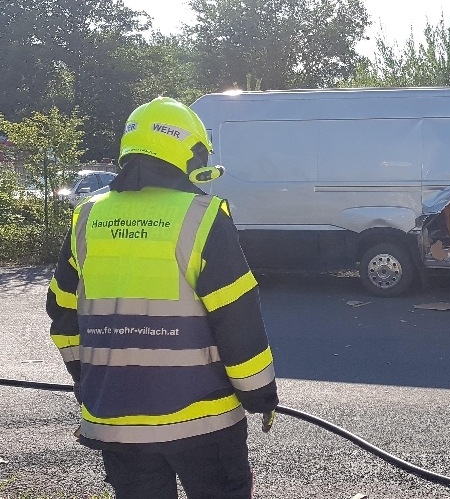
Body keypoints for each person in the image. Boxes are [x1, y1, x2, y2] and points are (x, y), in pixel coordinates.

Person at [46, 97, 278, 499]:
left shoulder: (87, 216)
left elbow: (62, 312)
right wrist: (260, 395)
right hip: (204, 421)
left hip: (116, 420)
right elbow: (236, 318)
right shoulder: (203, 216)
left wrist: (87, 378)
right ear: (188, 153)